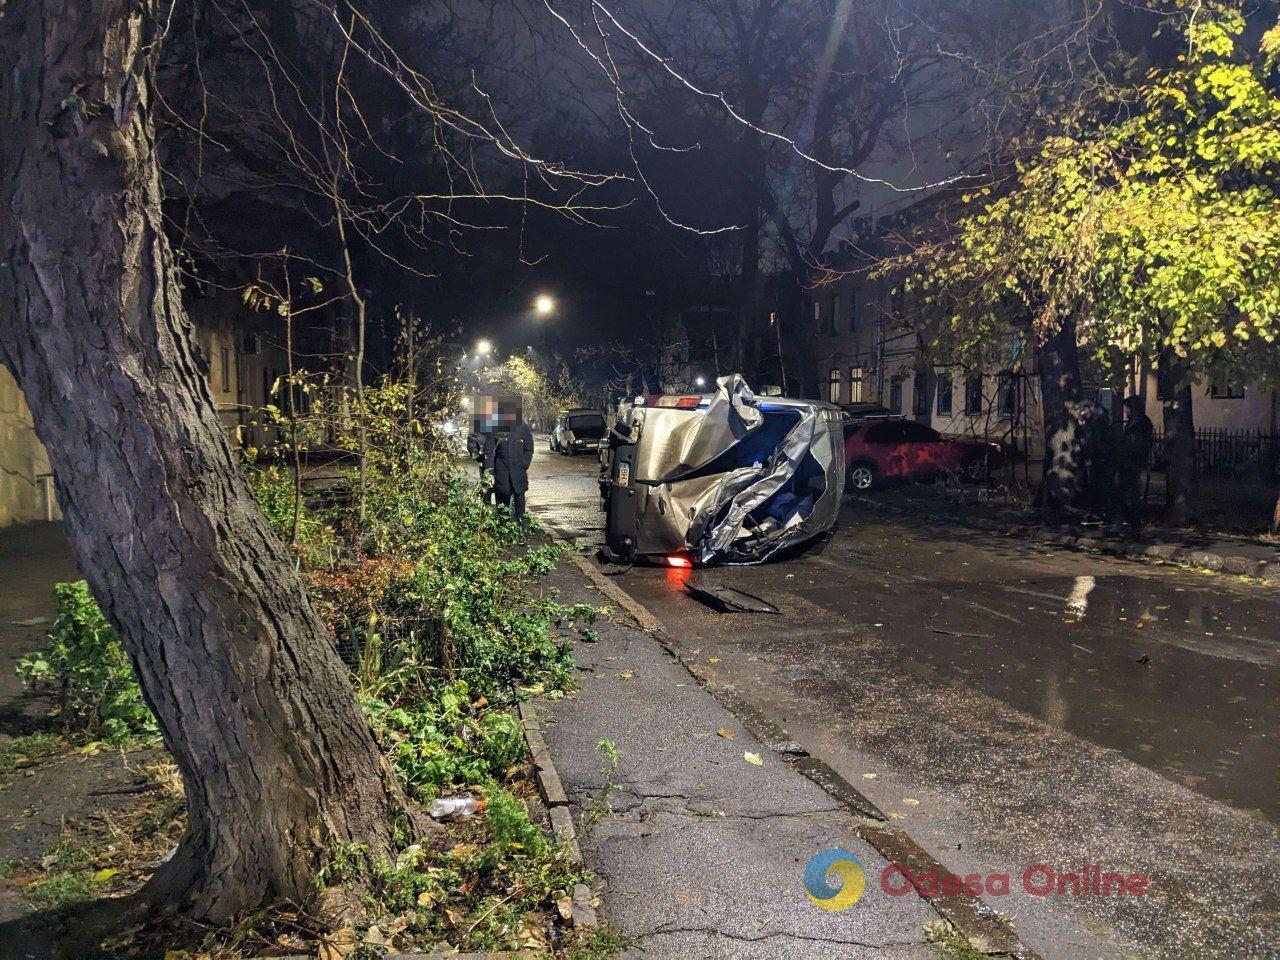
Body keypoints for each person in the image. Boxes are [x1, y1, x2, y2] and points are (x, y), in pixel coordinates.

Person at [483, 412, 535, 521]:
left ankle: (521, 527)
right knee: (502, 505)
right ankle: (504, 529)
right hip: (501, 474)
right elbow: (489, 452)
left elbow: (529, 447)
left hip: (518, 472)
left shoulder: (521, 426)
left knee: (520, 502)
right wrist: (490, 471)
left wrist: (524, 464)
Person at [1116, 395, 1154, 534]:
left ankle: (1133, 522)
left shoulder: (1140, 424)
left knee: (1130, 492)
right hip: (1128, 462)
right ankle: (1129, 521)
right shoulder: (1136, 423)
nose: (1125, 411)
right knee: (1126, 491)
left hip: (1132, 462)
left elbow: (1138, 444)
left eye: (1126, 408)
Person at [1079, 401, 1115, 520]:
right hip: (1096, 459)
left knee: (1099, 486)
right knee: (1095, 486)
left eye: (1086, 409)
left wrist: (1090, 456)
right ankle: (1098, 510)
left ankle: (1100, 512)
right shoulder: (1092, 424)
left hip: (1098, 460)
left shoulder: (1097, 425)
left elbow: (1095, 442)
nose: (1083, 412)